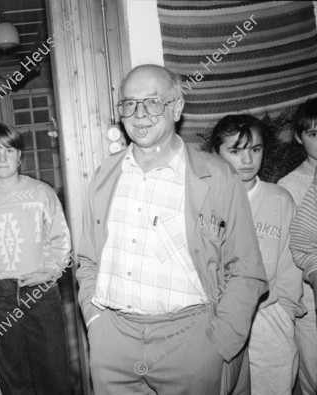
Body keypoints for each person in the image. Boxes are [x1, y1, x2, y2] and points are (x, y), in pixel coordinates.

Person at [76, 64, 268, 395]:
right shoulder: (104, 176)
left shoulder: (216, 177)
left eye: (152, 102)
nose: (139, 115)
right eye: (129, 103)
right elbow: (88, 260)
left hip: (191, 345)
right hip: (114, 344)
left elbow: (247, 272)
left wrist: (219, 343)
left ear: (176, 107)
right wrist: (96, 322)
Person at [0, 123, 73, 395]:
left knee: (53, 371)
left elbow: (60, 239)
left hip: (39, 290)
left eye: (9, 150)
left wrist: (49, 272)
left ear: (19, 155)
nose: (2, 158)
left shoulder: (41, 193)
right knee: (12, 376)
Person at [211, 114, 304, 394]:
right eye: (235, 151)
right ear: (216, 153)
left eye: (255, 149)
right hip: (222, 319)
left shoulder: (279, 199)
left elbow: (291, 264)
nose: (247, 160)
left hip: (268, 319)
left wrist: (285, 311)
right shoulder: (208, 201)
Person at [279, 97, 317, 395]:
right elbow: (289, 249)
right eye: (314, 134)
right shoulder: (289, 187)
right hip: (311, 301)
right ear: (299, 137)